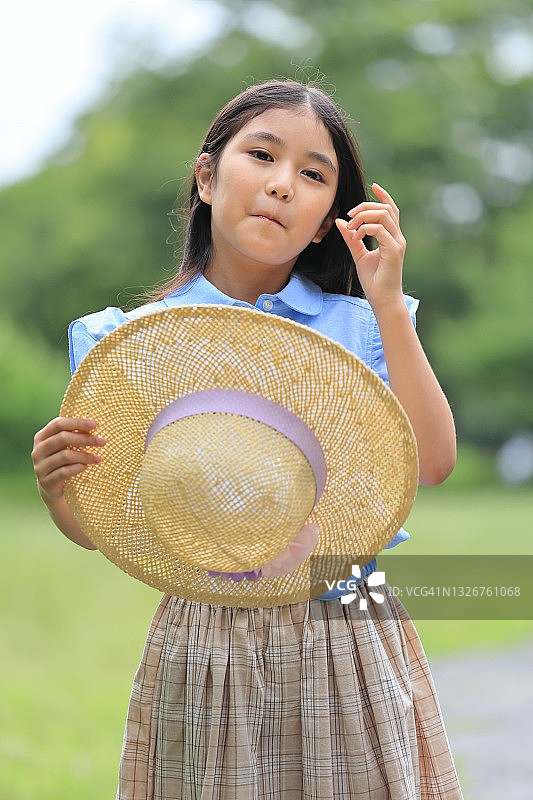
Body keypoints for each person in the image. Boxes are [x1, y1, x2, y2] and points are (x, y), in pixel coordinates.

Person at [32, 77, 463, 799]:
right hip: (204, 631)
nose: (282, 185)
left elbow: (435, 464)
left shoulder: (363, 326)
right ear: (206, 175)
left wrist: (385, 300)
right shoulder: (125, 345)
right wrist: (57, 492)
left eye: (312, 174)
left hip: (351, 621)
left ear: (328, 217)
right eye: (261, 155)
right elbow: (109, 525)